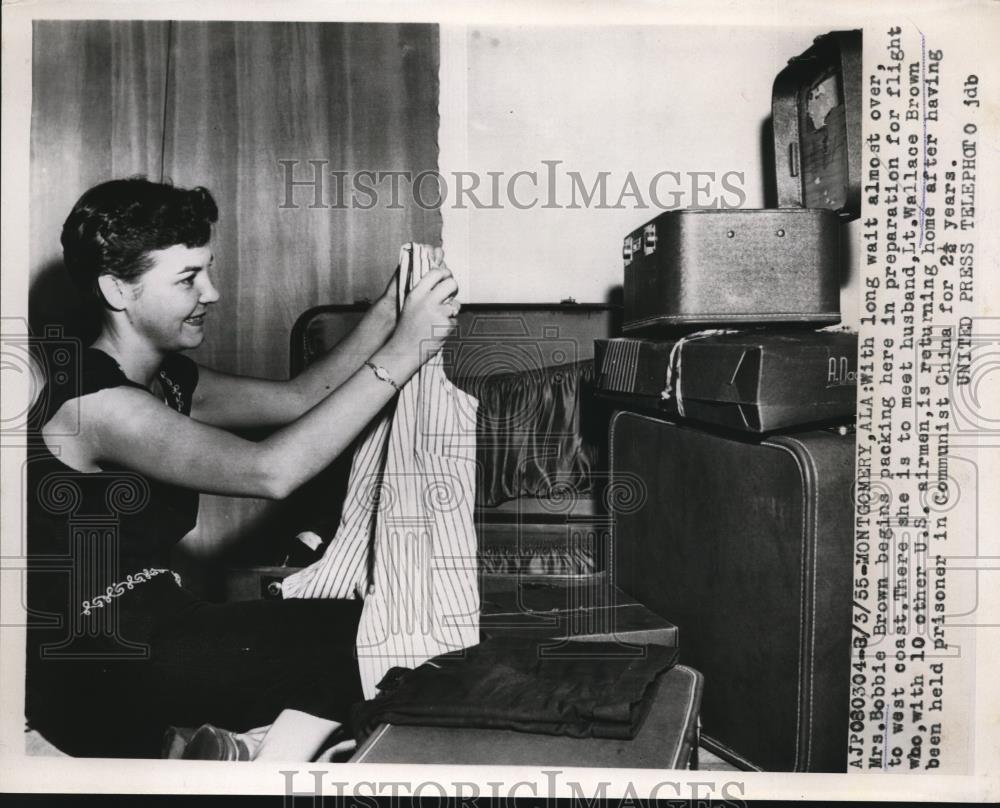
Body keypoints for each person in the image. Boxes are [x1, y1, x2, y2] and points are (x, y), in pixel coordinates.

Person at [25, 177, 460, 759]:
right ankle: (249, 753)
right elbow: (271, 472)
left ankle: (236, 747)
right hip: (97, 665)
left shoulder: (167, 378)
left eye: (206, 270)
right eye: (187, 279)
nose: (213, 292)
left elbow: (299, 398)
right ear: (116, 290)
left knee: (363, 627)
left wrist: (386, 315)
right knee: (357, 643)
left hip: (156, 627)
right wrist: (405, 352)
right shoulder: (97, 405)